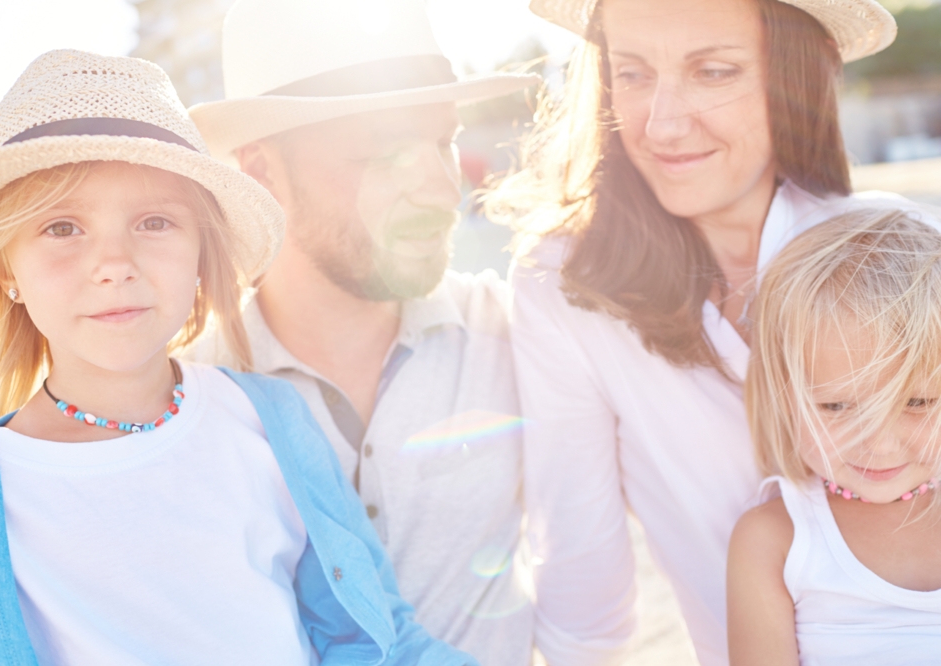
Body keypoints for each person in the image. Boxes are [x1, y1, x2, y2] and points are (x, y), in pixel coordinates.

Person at [0, 50, 476, 666]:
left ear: (201, 252)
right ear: (6, 268)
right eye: (62, 227)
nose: (114, 264)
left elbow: (380, 639)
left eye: (154, 221)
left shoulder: (270, 419)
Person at [486, 0, 901, 663]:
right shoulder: (564, 285)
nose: (662, 122)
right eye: (634, 73)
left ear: (792, 78)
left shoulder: (904, 252)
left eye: (712, 71)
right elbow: (581, 581)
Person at [186, 1, 541, 664]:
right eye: (384, 154)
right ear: (261, 174)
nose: (441, 190)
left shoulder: (520, 334)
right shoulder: (190, 400)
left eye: (443, 142)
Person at [729, 209, 941, 665]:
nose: (880, 444)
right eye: (837, 406)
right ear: (782, 398)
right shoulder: (775, 542)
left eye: (917, 402)